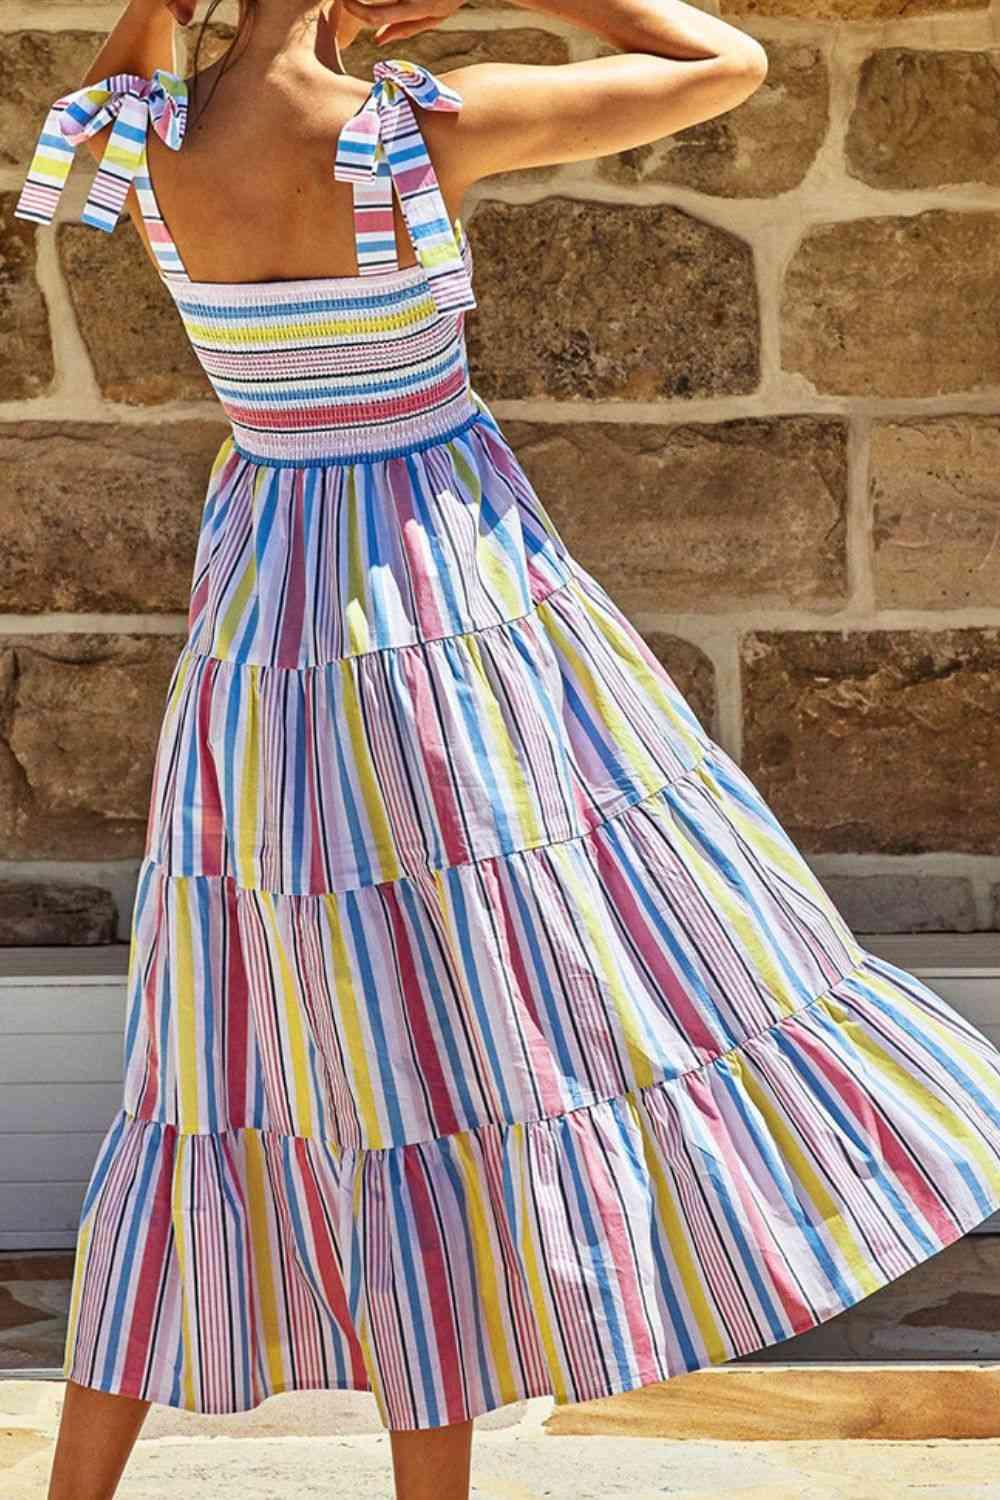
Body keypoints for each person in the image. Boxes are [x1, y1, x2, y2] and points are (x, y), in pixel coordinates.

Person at [15, 1, 1000, 1497]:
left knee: (214, 1056)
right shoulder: (421, 127)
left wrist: (173, 10)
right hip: (445, 617)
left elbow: (122, 86)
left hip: (263, 644)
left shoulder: (142, 131)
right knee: (458, 1035)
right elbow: (724, 64)